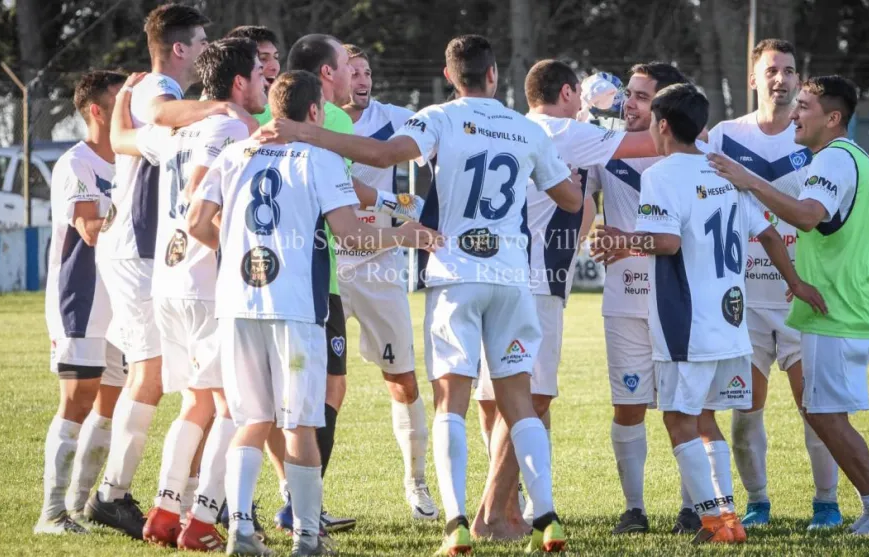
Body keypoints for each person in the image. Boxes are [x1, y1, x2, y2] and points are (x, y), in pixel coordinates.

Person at [258, 34, 586, 555]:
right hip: (510, 277)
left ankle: (456, 522)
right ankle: (546, 518)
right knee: (519, 400)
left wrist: (303, 131)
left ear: (450, 75)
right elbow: (569, 198)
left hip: (455, 272)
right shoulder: (527, 128)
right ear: (494, 74)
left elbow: (384, 153)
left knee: (451, 402)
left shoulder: (439, 116)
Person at [187, 69, 438, 557]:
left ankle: (241, 530)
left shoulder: (235, 153)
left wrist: (242, 258)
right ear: (316, 112)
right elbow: (351, 236)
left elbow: (197, 222)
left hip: (237, 304)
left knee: (251, 419)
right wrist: (403, 235)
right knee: (299, 423)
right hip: (296, 307)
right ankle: (306, 537)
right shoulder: (320, 158)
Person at [595, 83, 827, 544]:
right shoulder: (725, 168)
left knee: (678, 419)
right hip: (730, 321)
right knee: (704, 419)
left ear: (663, 125)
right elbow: (769, 234)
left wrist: (620, 239)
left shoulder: (662, 174)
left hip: (687, 321)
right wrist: (796, 282)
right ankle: (727, 516)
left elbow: (667, 242)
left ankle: (715, 521)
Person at [708, 75, 869, 536]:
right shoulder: (856, 159)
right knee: (822, 412)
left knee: (823, 414)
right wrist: (806, 276)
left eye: (804, 107)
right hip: (843, 302)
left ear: (833, 118)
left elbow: (806, 216)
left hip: (836, 309)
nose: (795, 114)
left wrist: (748, 180)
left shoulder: (833, 159)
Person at [470, 59, 659, 540]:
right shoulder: (565, 132)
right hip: (535, 284)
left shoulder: (513, 126)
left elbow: (584, 201)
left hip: (493, 275)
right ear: (570, 93)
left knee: (495, 398)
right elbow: (652, 142)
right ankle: (493, 515)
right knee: (531, 398)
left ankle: (516, 508)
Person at [88, 3, 245, 538]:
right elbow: (157, 115)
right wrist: (225, 108)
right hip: (153, 254)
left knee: (193, 394)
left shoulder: (183, 116)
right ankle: (119, 495)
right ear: (179, 48)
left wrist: (120, 110)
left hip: (164, 261)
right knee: (180, 386)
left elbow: (127, 139)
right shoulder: (167, 92)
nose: (204, 49)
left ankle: (173, 502)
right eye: (199, 41)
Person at [704, 39, 845, 529]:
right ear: (753, 78)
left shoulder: (813, 136)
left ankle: (826, 503)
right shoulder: (724, 136)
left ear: (798, 80)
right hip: (741, 301)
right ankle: (758, 503)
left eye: (788, 70)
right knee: (745, 411)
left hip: (801, 295)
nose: (780, 79)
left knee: (816, 408)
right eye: (771, 70)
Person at [587, 62, 703, 536]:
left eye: (641, 96)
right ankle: (634, 509)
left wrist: (625, 242)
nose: (628, 104)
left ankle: (693, 508)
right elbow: (581, 209)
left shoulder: (693, 155)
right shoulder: (603, 147)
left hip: (680, 300)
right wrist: (591, 239)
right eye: (628, 94)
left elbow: (684, 237)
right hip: (624, 301)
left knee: (688, 410)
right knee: (628, 406)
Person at [336, 43, 438, 522]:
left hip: (381, 263)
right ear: (332, 76)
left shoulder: (394, 117)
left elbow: (440, 141)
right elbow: (346, 189)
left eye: (367, 72)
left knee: (402, 378)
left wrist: (415, 209)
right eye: (354, 72)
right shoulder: (315, 122)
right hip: (329, 262)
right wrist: (396, 206)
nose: (363, 80)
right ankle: (299, 498)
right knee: (317, 384)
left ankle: (416, 482)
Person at [35, 69, 128, 536]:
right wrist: (131, 208)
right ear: (96, 110)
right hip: (82, 297)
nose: (130, 107)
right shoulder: (76, 163)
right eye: (120, 99)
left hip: (123, 301)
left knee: (111, 404)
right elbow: (89, 230)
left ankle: (79, 504)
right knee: (78, 399)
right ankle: (51, 514)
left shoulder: (130, 160)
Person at [224, 25, 281, 125]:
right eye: (263, 58)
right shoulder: (210, 112)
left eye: (276, 57)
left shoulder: (282, 114)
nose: (275, 67)